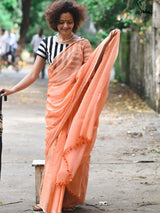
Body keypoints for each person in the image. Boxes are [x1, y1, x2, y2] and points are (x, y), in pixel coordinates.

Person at [0, 1, 120, 213]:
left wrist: (106, 44)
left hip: (74, 104)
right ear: (54, 22)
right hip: (54, 104)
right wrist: (12, 90)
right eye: (62, 22)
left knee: (70, 148)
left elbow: (91, 70)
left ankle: (65, 197)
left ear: (76, 22)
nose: (66, 26)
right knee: (54, 150)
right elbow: (33, 74)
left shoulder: (82, 44)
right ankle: (49, 198)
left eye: (70, 22)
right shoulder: (46, 43)